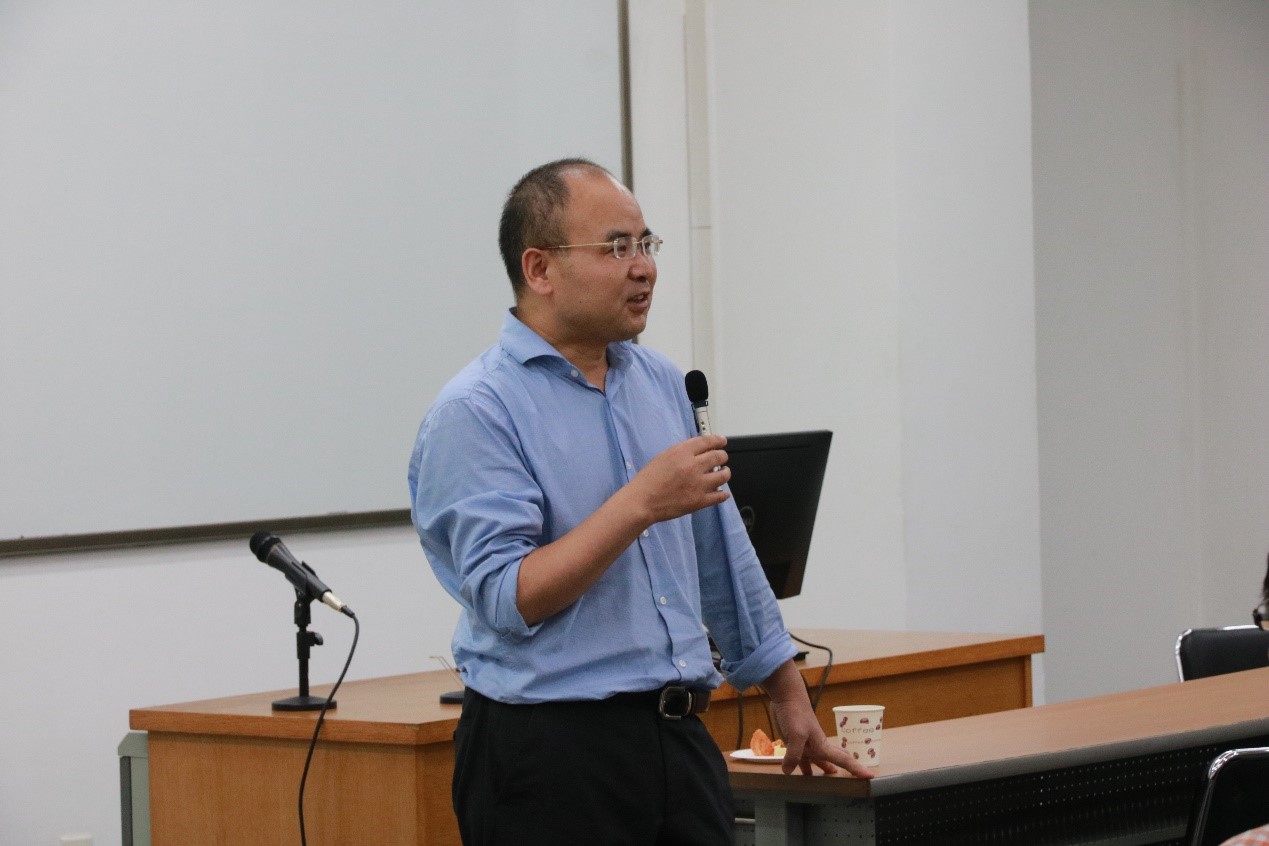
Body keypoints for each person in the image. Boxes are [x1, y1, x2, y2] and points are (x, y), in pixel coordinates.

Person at [408, 157, 872, 846]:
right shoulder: (478, 410)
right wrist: (638, 505)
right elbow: (508, 597)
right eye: (616, 247)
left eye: (646, 244)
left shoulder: (659, 382)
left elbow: (721, 549)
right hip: (549, 754)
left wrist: (783, 689)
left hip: (676, 739)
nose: (644, 268)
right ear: (540, 269)